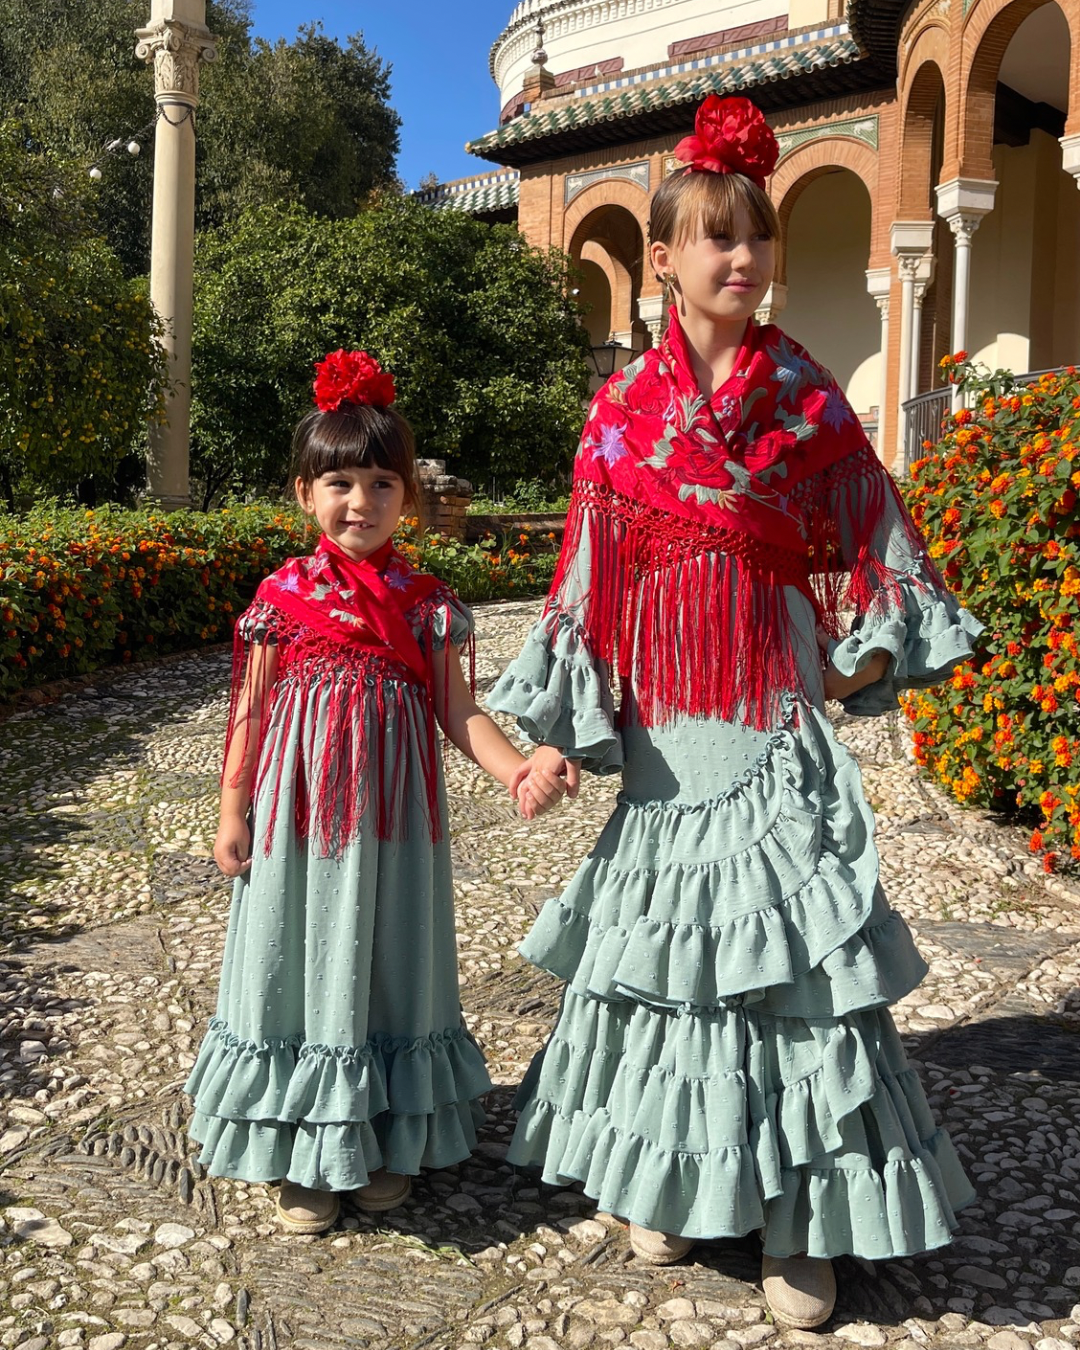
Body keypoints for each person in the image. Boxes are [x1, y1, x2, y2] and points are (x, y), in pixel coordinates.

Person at [497, 96, 979, 1328]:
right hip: (666, 722)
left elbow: (875, 526)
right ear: (662, 259)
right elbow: (588, 576)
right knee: (670, 958)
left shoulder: (808, 394)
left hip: (770, 710)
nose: (743, 258)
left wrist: (866, 656)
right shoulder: (620, 413)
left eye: (756, 236)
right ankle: (675, 1180)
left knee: (790, 959)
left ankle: (803, 1219)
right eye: (715, 237)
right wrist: (559, 718)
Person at [185, 350, 566, 1234]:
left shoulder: (428, 603)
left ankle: (382, 1133)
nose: (361, 502)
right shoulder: (282, 599)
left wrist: (516, 769)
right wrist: (232, 810)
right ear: (303, 494)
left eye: (383, 483)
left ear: (411, 496)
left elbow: (457, 710)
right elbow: (250, 712)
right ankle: (305, 1148)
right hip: (299, 822)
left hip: (397, 825)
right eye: (341, 483)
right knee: (301, 958)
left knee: (388, 962)